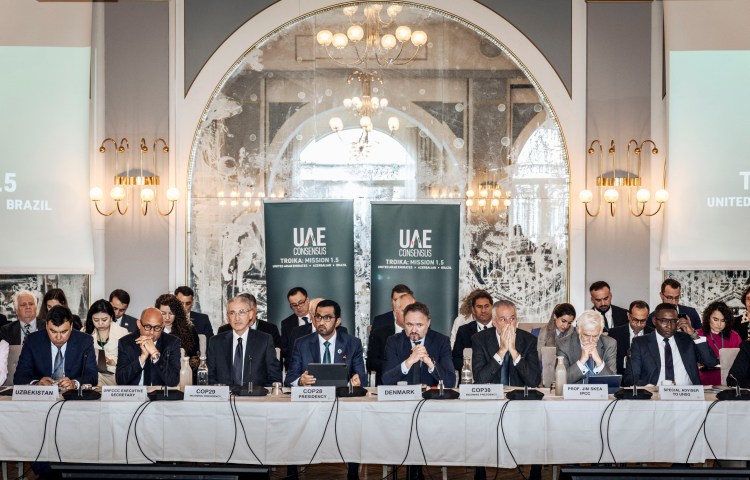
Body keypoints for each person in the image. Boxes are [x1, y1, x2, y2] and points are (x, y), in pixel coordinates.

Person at [625, 303, 717, 386]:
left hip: (688, 394)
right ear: (654, 321)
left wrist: (693, 334)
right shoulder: (640, 343)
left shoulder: (687, 340)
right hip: (655, 396)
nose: (669, 326)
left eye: (673, 321)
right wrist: (650, 388)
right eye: (664, 321)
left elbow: (710, 362)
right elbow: (631, 378)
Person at [284, 299, 367, 388]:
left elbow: (361, 376)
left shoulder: (353, 344)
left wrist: (356, 381)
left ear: (337, 322)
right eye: (318, 317)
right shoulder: (301, 344)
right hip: (311, 398)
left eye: (327, 318)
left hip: (342, 397)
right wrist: (301, 381)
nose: (321, 322)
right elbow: (290, 379)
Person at [14, 305, 98, 387]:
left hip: (72, 396)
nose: (58, 337)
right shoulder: (32, 341)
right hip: (42, 397)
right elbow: (19, 376)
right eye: (53, 331)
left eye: (63, 332)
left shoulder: (85, 341)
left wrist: (74, 383)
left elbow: (92, 376)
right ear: (46, 326)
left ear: (71, 327)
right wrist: (37, 384)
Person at [208, 295, 281, 387]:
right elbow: (209, 377)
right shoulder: (216, 342)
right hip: (224, 398)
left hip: (255, 398)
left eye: (241, 312)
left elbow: (275, 377)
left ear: (250, 314)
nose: (237, 318)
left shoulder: (264, 340)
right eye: (232, 313)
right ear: (227, 317)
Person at [382, 302, 455, 387]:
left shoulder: (441, 341)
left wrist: (430, 363)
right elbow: (386, 380)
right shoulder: (394, 341)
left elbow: (450, 382)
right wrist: (408, 362)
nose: (414, 330)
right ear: (404, 323)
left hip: (430, 398)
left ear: (428, 323)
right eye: (409, 324)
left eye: (419, 325)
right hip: (403, 397)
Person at [472, 300, 541, 387]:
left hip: (518, 397)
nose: (509, 324)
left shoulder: (529, 340)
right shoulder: (479, 339)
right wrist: (502, 351)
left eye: (512, 319)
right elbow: (479, 380)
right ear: (494, 322)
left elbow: (534, 381)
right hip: (491, 397)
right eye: (503, 319)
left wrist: (514, 352)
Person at [116, 307, 181, 386]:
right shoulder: (126, 342)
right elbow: (120, 380)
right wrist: (142, 358)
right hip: (134, 393)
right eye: (147, 326)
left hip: (158, 394)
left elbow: (173, 381)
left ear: (162, 326)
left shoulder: (172, 342)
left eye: (157, 328)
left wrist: (154, 353)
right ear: (139, 324)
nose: (151, 332)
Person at [556, 310, 617, 384]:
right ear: (579, 330)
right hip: (574, 394)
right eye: (586, 335)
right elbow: (561, 381)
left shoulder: (610, 344)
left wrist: (599, 362)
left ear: (600, 332)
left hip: (600, 394)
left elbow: (612, 383)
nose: (591, 340)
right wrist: (581, 362)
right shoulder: (563, 345)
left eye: (595, 336)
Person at [367, 293, 415, 386]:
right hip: (386, 387)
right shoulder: (380, 333)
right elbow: (370, 363)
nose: (410, 315)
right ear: (396, 312)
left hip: (415, 385)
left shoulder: (422, 332)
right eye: (406, 310)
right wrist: (396, 366)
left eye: (413, 310)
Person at [84, 299, 129, 386]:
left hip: (115, 375)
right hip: (93, 373)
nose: (100, 323)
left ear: (111, 317)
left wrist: (113, 362)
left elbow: (129, 360)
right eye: (96, 320)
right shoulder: (85, 332)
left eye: (104, 320)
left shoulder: (122, 332)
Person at [696, 301, 741, 385]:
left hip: (729, 383)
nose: (719, 324)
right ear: (708, 318)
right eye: (715, 319)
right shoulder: (698, 335)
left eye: (723, 320)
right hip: (703, 382)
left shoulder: (734, 336)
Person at [156, 293, 200, 377]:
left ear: (177, 313)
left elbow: (194, 360)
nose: (167, 317)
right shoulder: (151, 330)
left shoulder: (189, 330)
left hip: (183, 375)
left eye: (171, 313)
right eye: (163, 313)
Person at [217, 293, 281, 349]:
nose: (237, 317)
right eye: (242, 312)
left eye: (250, 310)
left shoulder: (270, 330)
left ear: (255, 310)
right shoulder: (223, 331)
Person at [452, 290, 494, 371]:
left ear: (492, 307)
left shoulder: (500, 328)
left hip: (496, 379)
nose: (483, 310)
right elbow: (456, 360)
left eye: (486, 306)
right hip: (470, 378)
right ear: (473, 310)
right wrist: (472, 365)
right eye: (479, 307)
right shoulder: (463, 331)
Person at [607, 300, 652, 374]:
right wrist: (626, 361)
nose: (639, 324)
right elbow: (610, 361)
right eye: (635, 320)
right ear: (628, 316)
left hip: (647, 380)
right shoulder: (614, 333)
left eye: (643, 320)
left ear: (647, 317)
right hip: (622, 379)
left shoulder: (652, 334)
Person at [279, 287, 312, 372]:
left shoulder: (319, 318)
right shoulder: (286, 324)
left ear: (308, 299)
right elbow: (285, 350)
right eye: (294, 305)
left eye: (301, 303)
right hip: (296, 370)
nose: (298, 307)